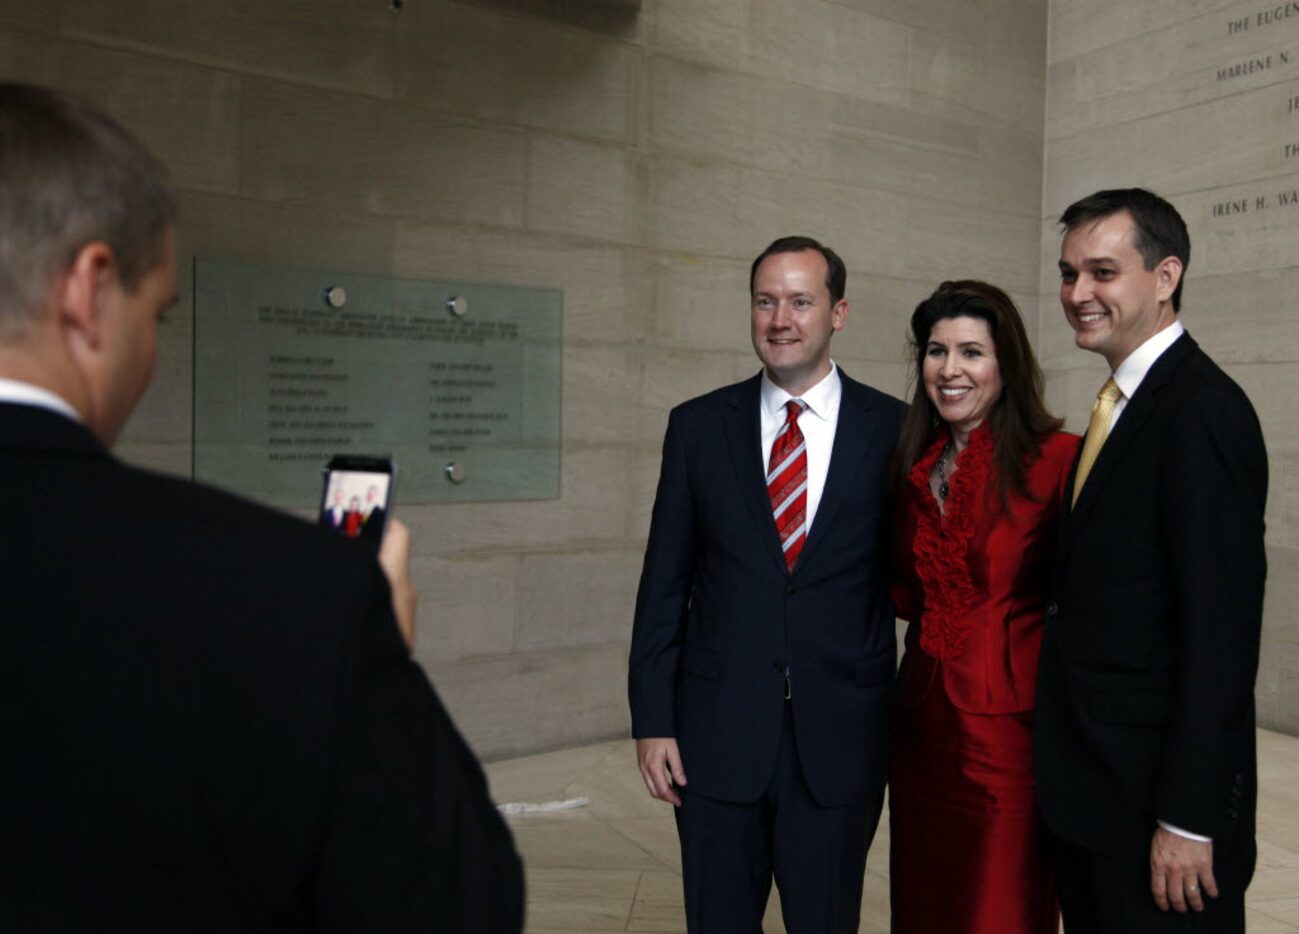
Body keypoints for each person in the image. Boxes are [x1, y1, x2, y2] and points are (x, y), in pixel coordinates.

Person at [0, 83, 524, 931]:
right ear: (90, 292)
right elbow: (452, 906)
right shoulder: (294, 596)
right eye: (159, 312)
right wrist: (372, 647)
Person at [629, 236, 904, 933]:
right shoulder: (696, 428)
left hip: (840, 740)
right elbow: (664, 584)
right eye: (764, 301)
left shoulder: (895, 430)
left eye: (800, 301)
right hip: (715, 737)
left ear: (837, 312)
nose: (780, 318)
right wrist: (653, 720)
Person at [1035, 188, 1268, 933]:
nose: (1077, 294)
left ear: (1165, 277)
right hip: (1096, 799)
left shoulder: (1202, 411)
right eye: (1068, 274)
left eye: (1101, 272)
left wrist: (1190, 819)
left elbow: (1221, 636)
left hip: (1159, 818)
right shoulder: (1119, 403)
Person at [887, 280, 1077, 933]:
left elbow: (1088, 602)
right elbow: (902, 590)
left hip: (1009, 738)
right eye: (936, 352)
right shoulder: (912, 463)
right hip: (919, 730)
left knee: (997, 909)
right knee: (924, 903)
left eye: (971, 351)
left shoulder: (1060, 462)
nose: (949, 370)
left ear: (1005, 364)